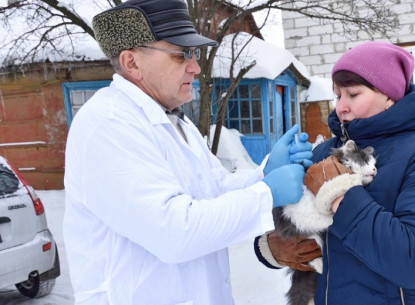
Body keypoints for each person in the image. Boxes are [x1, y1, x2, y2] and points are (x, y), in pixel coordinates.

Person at [63, 0, 313, 304]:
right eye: (181, 54)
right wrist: (266, 194)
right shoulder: (107, 125)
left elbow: (213, 190)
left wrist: (265, 173)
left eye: (193, 54)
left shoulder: (175, 121)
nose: (194, 66)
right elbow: (173, 231)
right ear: (132, 63)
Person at [255, 41, 415, 304]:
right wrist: (272, 243)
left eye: (353, 95)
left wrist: (340, 196)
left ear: (390, 96)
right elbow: (292, 229)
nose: (341, 107)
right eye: (338, 95)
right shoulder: (324, 154)